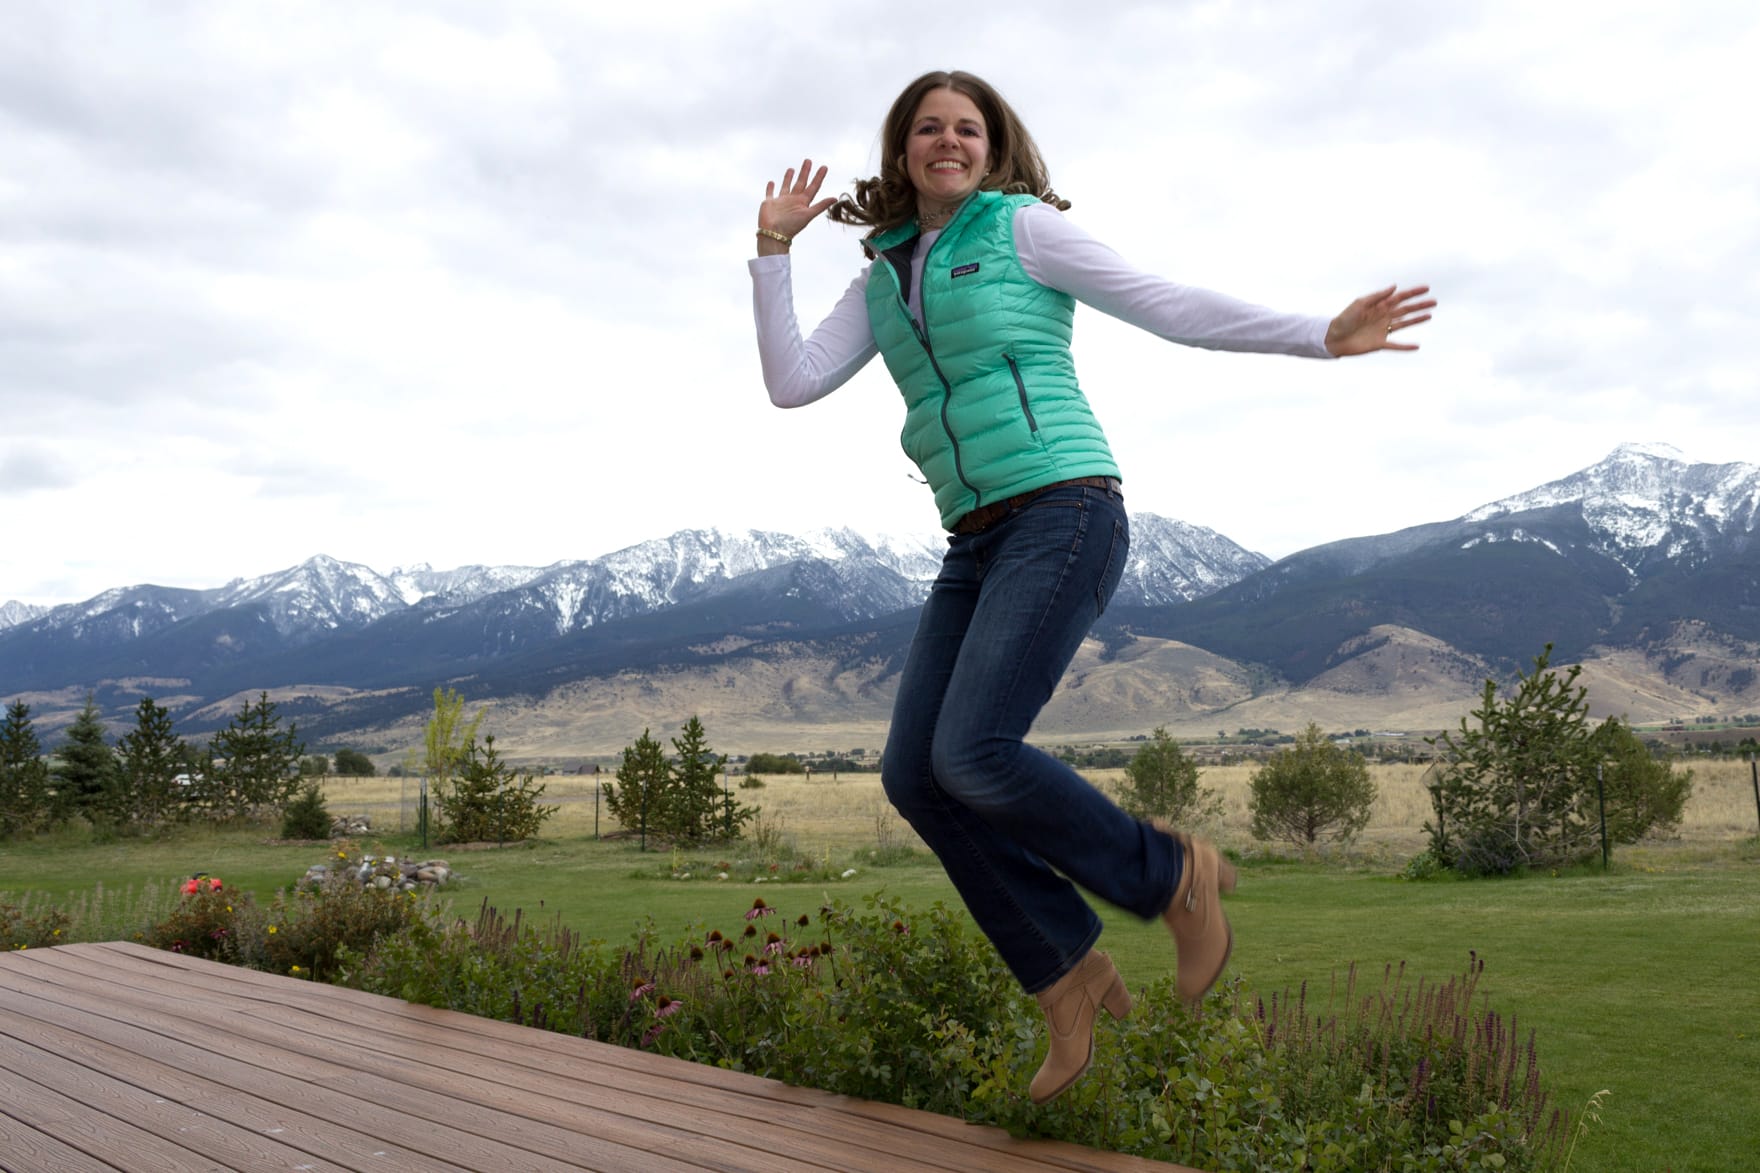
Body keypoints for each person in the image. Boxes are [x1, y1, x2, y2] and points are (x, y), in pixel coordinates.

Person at [748, 69, 1432, 1106]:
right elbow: (790, 381)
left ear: (992, 147)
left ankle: (1172, 877)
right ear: (901, 152)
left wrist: (1317, 335)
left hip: (1062, 511)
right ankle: (1064, 976)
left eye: (966, 128)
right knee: (915, 776)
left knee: (972, 753)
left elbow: (1166, 305)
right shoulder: (883, 273)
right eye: (927, 128)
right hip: (973, 539)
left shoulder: (1023, 232)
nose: (947, 142)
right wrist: (771, 251)